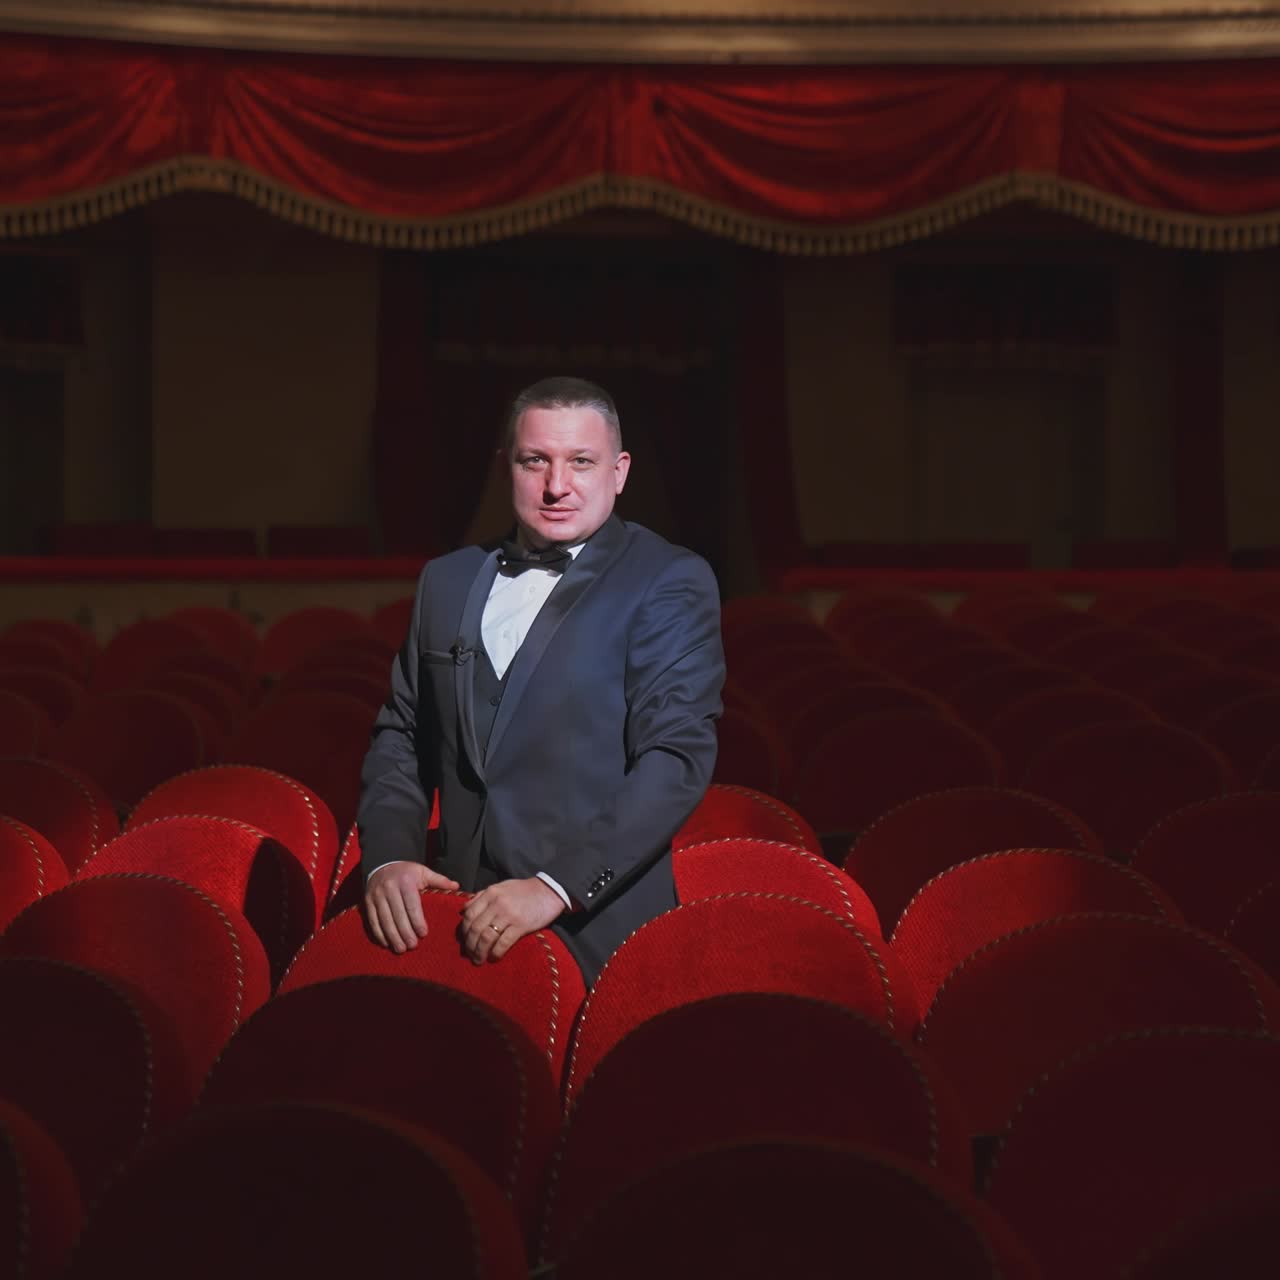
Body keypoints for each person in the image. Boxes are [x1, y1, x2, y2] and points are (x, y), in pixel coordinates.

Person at [357, 375, 725, 985]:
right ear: (506, 467)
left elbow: (675, 758)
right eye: (537, 461)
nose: (557, 486)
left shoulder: (670, 580)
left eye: (582, 461)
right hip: (451, 924)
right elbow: (402, 733)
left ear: (620, 471)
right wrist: (389, 857)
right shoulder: (445, 581)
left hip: (599, 931)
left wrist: (555, 886)